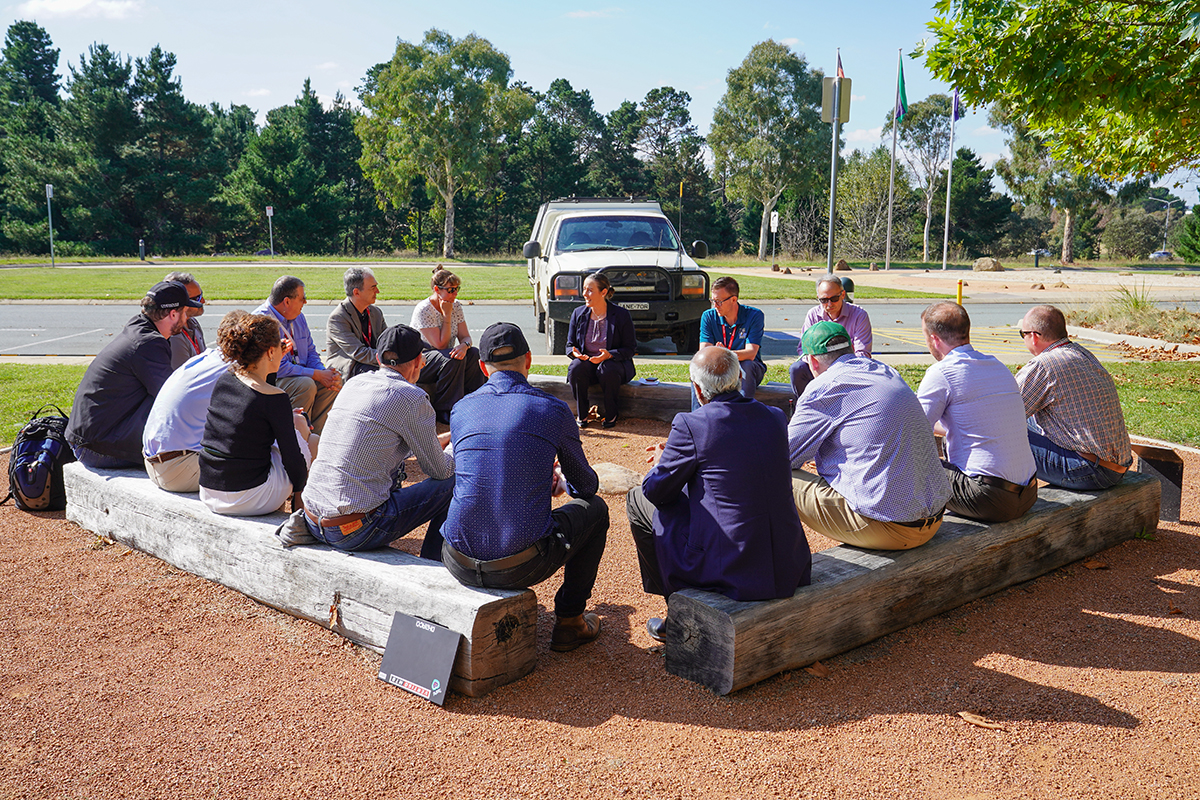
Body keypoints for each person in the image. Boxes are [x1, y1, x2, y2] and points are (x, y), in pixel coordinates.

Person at [440, 322, 609, 653]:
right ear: (528, 359)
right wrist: (557, 477)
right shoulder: (552, 409)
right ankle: (570, 620)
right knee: (598, 511)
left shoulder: (462, 409)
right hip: (520, 565)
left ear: (482, 367)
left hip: (456, 560)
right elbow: (587, 485)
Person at [627, 346, 812, 642]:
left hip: (733, 566)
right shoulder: (776, 417)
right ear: (740, 376)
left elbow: (656, 491)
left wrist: (666, 462)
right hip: (788, 560)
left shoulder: (692, 424)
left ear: (697, 390)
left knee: (638, 500)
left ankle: (678, 611)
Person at [788, 321, 951, 550]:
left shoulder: (824, 386)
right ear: (850, 351)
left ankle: (763, 559)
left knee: (771, 471)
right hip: (933, 520)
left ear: (812, 361)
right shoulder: (886, 371)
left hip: (889, 529)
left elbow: (783, 456)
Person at [302, 324, 455, 556]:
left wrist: (434, 441)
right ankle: (433, 564)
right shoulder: (412, 397)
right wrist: (455, 449)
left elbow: (376, 444)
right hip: (354, 530)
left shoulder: (354, 383)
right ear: (418, 361)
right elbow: (440, 470)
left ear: (377, 357)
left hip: (313, 521)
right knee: (452, 481)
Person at [917, 302, 1038, 523]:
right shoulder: (997, 365)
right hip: (1028, 493)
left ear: (934, 339)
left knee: (912, 464)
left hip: (988, 498)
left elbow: (914, 431)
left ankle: (902, 530)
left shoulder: (941, 372)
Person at [65, 280, 202, 468]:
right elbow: (171, 397)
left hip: (90, 437)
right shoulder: (148, 343)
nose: (187, 319)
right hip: (96, 448)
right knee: (181, 425)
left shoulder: (140, 329)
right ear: (172, 314)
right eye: (185, 312)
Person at [199, 311, 317, 516]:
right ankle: (301, 515)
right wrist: (299, 489)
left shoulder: (226, 379)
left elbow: (260, 396)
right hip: (246, 497)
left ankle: (285, 508)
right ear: (271, 352)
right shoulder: (275, 398)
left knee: (292, 429)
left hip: (210, 490)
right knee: (310, 440)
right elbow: (293, 461)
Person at [1016, 304, 1132, 490]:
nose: (1023, 338)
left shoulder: (1043, 365)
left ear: (1034, 336)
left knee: (999, 435)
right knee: (1025, 423)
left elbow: (1004, 416)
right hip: (1117, 466)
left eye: (1023, 334)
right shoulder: (1082, 353)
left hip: (1089, 471)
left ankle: (993, 496)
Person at [253, 275, 342, 433]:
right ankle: (296, 438)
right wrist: (315, 374)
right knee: (305, 385)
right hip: (269, 381)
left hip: (298, 376)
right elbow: (277, 368)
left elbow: (311, 352)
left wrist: (324, 373)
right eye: (302, 298)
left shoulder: (298, 317)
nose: (305, 302)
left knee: (332, 383)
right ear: (287, 301)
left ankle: (316, 439)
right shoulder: (261, 321)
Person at [142, 346, 229, 492]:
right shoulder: (235, 371)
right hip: (179, 471)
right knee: (264, 455)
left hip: (153, 463)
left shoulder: (203, 359)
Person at [410, 266, 485, 424]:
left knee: (473, 354)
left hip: (444, 356)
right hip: (422, 360)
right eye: (450, 290)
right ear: (437, 289)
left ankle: (475, 402)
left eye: (457, 289)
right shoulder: (424, 310)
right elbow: (441, 345)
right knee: (451, 358)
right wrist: (447, 315)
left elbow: (466, 337)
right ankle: (445, 409)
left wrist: (464, 346)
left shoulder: (456, 305)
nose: (455, 293)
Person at [566, 273, 636, 428]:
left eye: (590, 290)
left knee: (607, 368)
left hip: (614, 365)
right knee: (576, 367)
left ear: (603, 292)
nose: (584, 294)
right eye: (584, 289)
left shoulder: (621, 315)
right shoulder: (578, 314)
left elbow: (630, 348)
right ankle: (582, 415)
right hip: (588, 364)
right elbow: (569, 344)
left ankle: (611, 415)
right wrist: (574, 353)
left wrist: (609, 355)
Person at [789, 275, 872, 398]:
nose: (829, 304)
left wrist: (836, 370)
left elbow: (862, 354)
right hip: (818, 369)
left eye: (834, 298)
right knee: (797, 368)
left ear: (843, 295)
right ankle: (806, 407)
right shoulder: (813, 315)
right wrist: (820, 368)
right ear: (818, 298)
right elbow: (803, 350)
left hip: (848, 370)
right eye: (824, 300)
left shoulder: (859, 315)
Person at [694, 276, 766, 410]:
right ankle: (698, 417)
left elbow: (750, 353)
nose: (715, 306)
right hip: (719, 369)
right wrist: (719, 356)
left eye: (719, 301)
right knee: (699, 368)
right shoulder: (708, 316)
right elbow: (704, 352)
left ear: (733, 300)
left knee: (747, 366)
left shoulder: (754, 315)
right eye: (713, 300)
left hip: (746, 368)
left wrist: (723, 354)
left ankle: (743, 415)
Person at [326, 266, 386, 384]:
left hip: (371, 362)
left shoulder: (375, 312)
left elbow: (387, 341)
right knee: (380, 377)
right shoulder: (338, 318)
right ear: (357, 292)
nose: (377, 291)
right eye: (373, 287)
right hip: (350, 368)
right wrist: (390, 359)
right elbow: (359, 353)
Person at [163, 271, 207, 370]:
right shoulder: (173, 336)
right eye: (197, 298)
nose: (203, 301)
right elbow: (185, 376)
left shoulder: (193, 322)